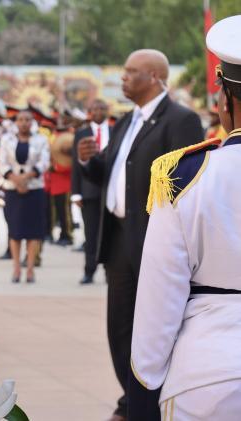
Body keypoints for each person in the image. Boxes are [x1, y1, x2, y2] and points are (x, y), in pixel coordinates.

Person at [77, 49, 204, 421]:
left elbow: (188, 184)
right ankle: (129, 399)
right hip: (118, 241)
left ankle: (150, 403)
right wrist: (89, 161)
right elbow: (111, 174)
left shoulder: (180, 120)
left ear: (153, 77)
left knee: (155, 328)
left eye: (131, 73)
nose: (123, 79)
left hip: (154, 244)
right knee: (119, 329)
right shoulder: (125, 122)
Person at [131, 16, 241, 420]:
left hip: (209, 373)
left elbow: (159, 298)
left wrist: (147, 378)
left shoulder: (181, 174)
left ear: (224, 99)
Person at [0, 110, 49, 284]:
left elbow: (44, 162)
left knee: (33, 232)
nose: (24, 123)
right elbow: (1, 162)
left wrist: (26, 178)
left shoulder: (41, 139)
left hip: (34, 189)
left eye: (27, 120)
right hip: (13, 189)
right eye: (20, 120)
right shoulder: (6, 139)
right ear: (15, 122)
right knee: (15, 231)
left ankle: (30, 269)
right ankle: (16, 269)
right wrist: (16, 180)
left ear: (32, 122)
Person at [72, 99, 110, 285]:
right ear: (89, 111)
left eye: (102, 108)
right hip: (89, 191)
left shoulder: (116, 130)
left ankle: (109, 271)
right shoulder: (81, 134)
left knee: (111, 233)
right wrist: (76, 193)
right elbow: (76, 165)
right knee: (91, 233)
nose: (98, 111)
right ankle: (89, 270)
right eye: (95, 108)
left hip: (110, 190)